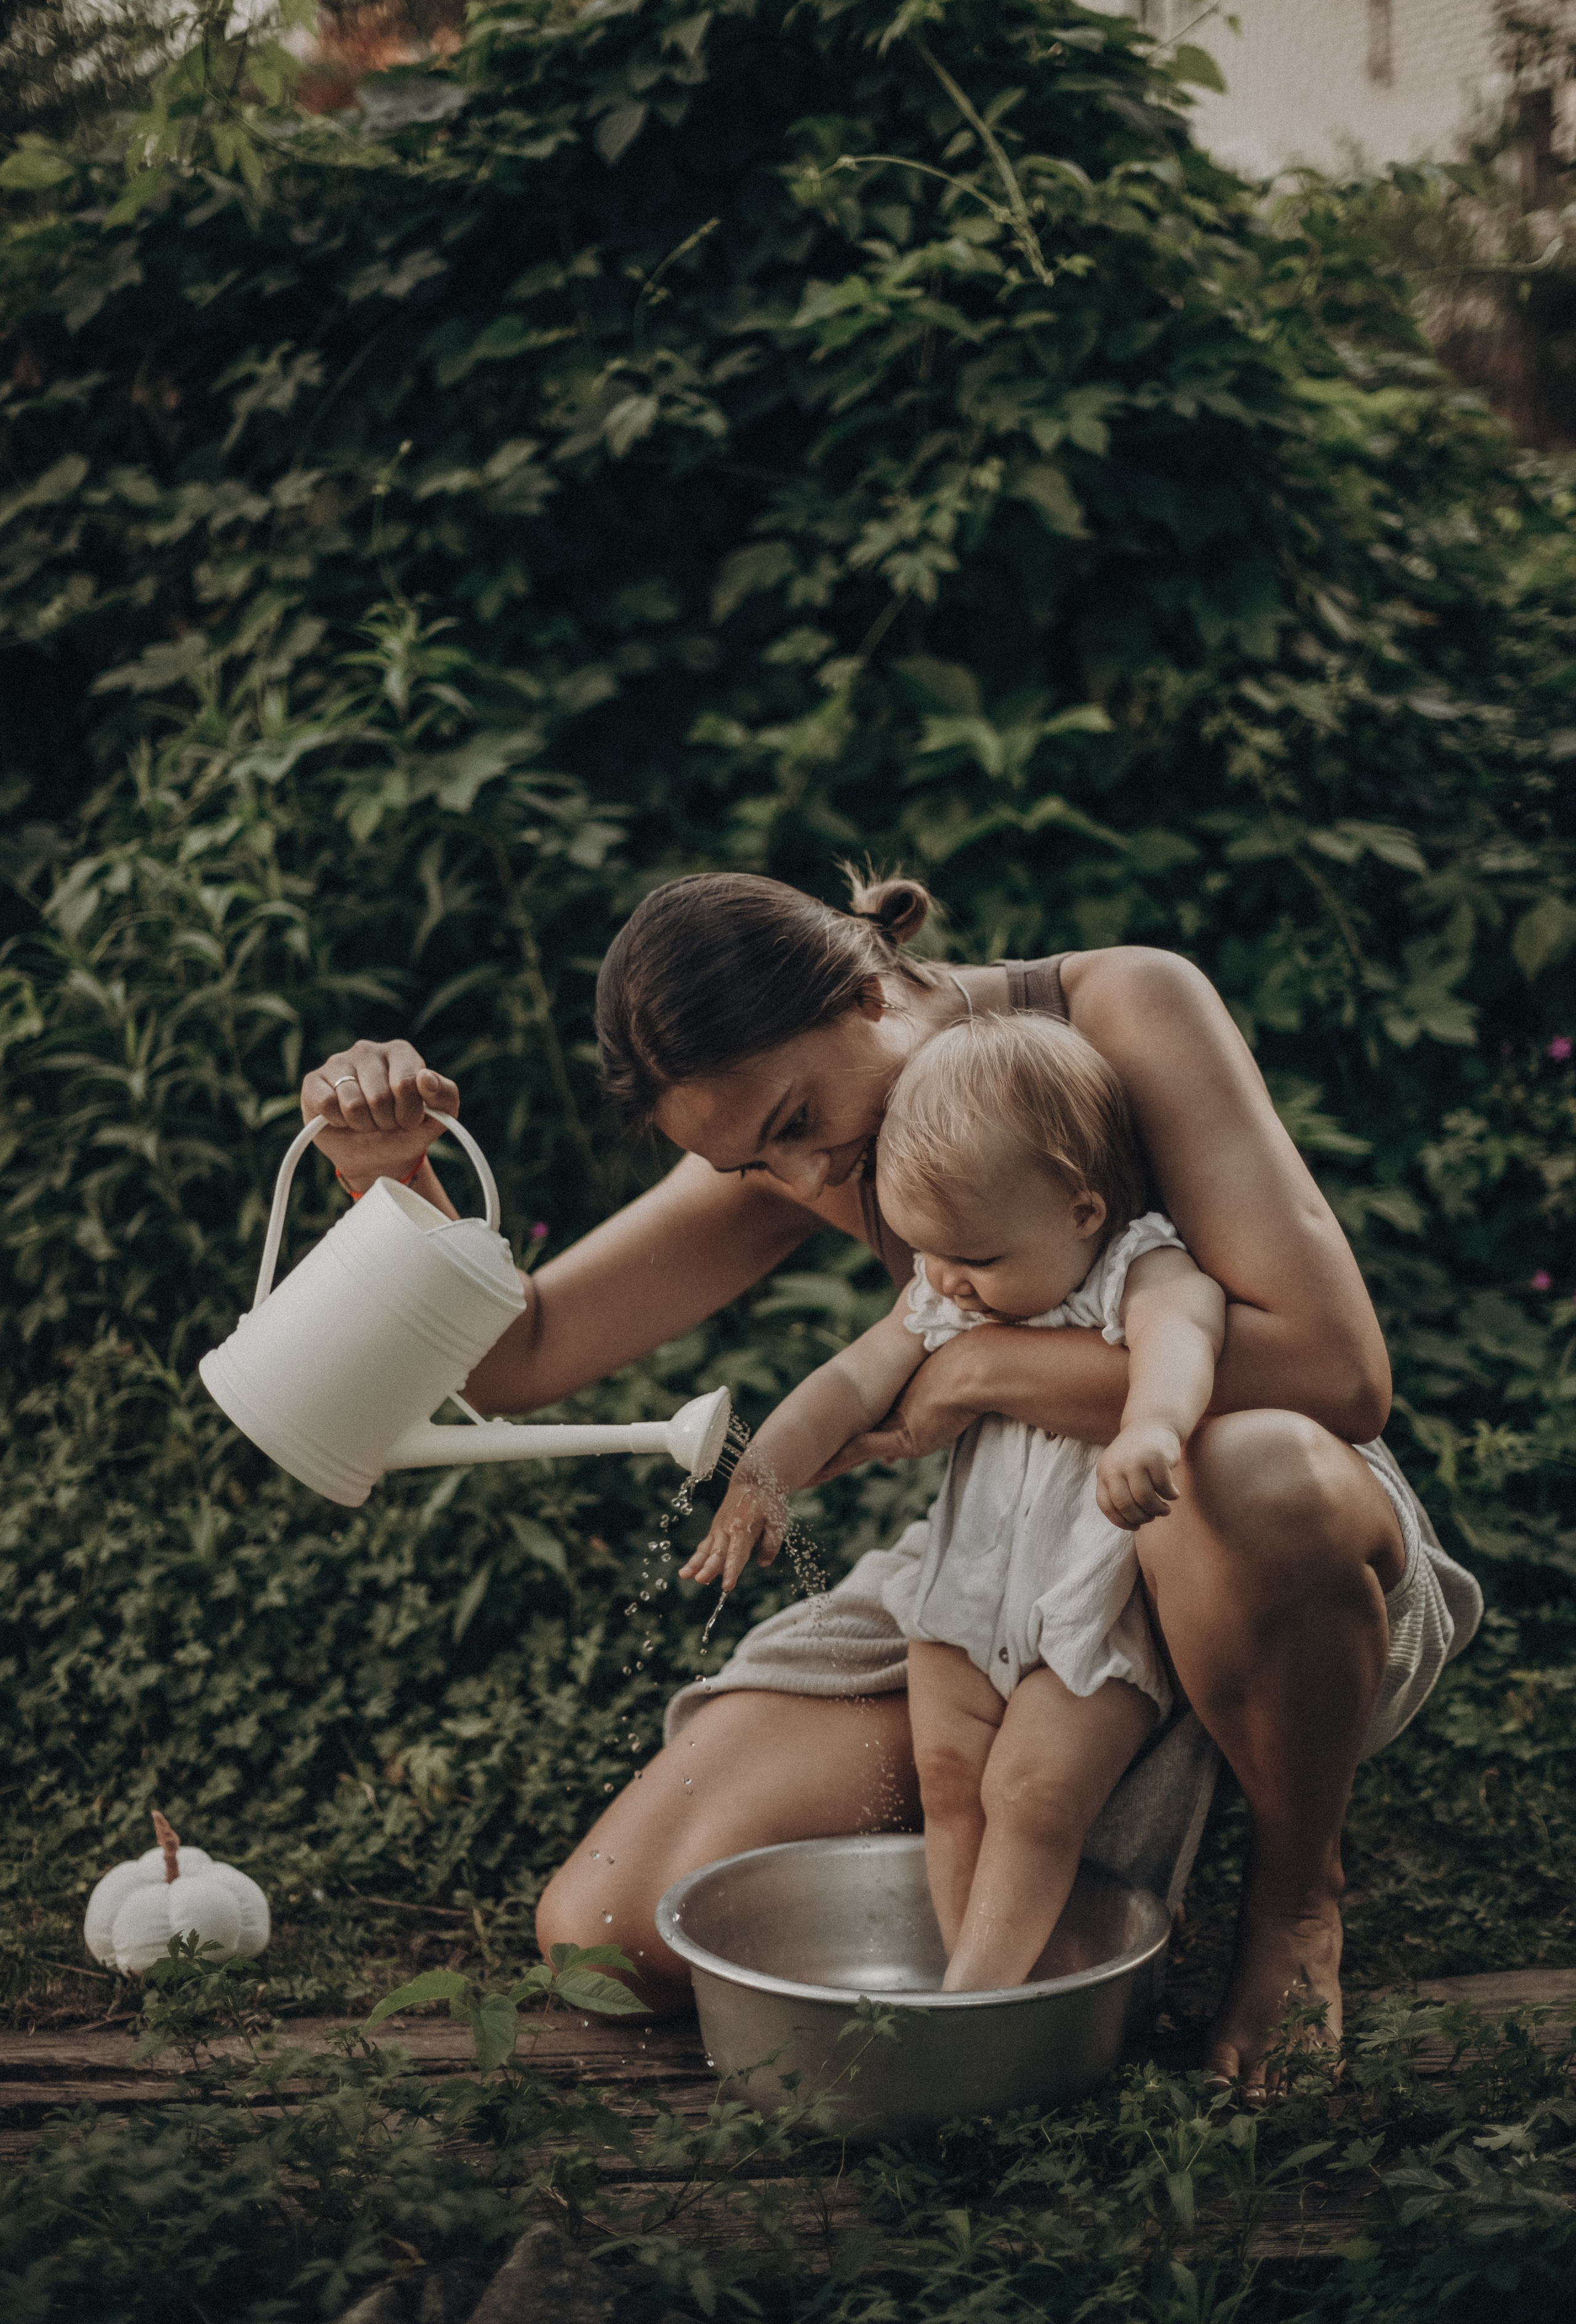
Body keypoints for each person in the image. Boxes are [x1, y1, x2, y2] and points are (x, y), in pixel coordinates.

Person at [299, 869, 1481, 2090]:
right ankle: (1023, 1844)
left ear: (867, 991)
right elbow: (521, 1356)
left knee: (1253, 1471)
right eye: (757, 1164)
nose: (807, 1183)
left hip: (1222, 1513)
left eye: (799, 1124)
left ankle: (1293, 1900)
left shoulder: (1124, 1006)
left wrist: (978, 1372)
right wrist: (384, 1171)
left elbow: (1334, 1375)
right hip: (1005, 1546)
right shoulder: (784, 1143)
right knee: (608, 1935)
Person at [681, 1011, 1226, 1992]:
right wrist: (758, 1474)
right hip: (962, 1602)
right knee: (951, 1786)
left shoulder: (1135, 1268)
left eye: (972, 1259)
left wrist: (1151, 1427)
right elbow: (848, 1386)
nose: (945, 1284)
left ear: (1081, 1211)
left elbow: (1183, 1337)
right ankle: (970, 1979)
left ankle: (980, 1999)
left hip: (1090, 1612)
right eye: (927, 1253)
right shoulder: (946, 1289)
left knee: (1033, 1796)